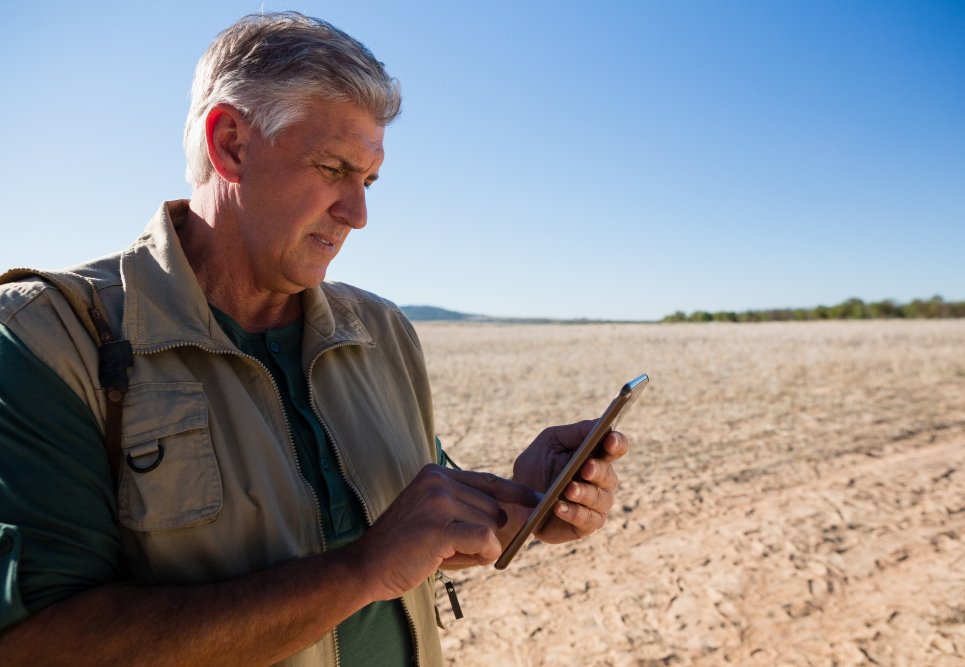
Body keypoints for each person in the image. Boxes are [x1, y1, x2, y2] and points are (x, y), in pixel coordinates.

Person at [0, 12, 628, 666]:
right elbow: (37, 644)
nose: (358, 214)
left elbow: (411, 526)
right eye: (333, 168)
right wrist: (362, 569)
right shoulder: (51, 336)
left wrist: (523, 504)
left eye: (368, 180)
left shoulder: (382, 333)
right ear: (231, 143)